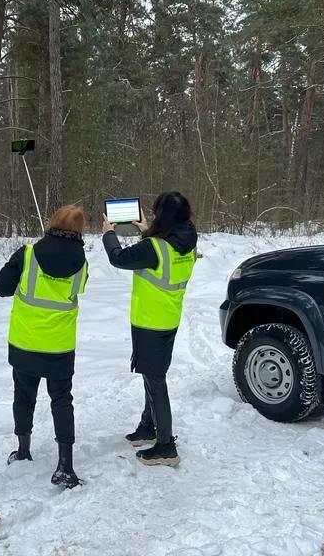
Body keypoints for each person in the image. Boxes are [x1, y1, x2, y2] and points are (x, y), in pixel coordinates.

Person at [0, 205, 89, 488]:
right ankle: (65, 465)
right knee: (62, 400)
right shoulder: (82, 261)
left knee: (24, 396)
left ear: (52, 222)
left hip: (25, 342)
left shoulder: (28, 254)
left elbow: (0, 287)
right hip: (59, 345)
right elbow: (80, 288)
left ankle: (23, 450)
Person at [102, 192, 197, 467]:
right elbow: (163, 252)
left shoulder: (154, 247)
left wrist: (109, 233)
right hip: (169, 319)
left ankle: (166, 446)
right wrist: (146, 230)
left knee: (155, 380)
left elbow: (119, 258)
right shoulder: (186, 240)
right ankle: (148, 426)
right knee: (151, 373)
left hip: (149, 321)